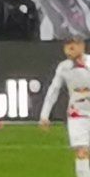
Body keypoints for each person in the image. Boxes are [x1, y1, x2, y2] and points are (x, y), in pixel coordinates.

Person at [41, 35, 90, 177]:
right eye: (67, 48)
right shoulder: (63, 68)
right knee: (81, 151)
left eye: (72, 47)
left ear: (82, 47)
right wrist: (44, 115)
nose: (69, 51)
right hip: (77, 114)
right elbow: (53, 90)